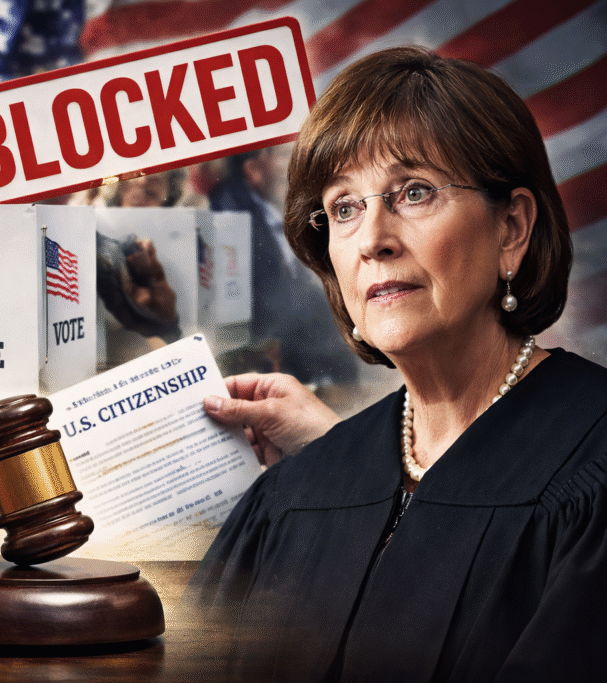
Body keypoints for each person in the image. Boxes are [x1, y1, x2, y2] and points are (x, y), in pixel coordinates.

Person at [191, 46, 606, 681]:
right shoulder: (299, 492)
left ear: (512, 229)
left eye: (413, 192)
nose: (372, 239)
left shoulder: (594, 472)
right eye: (344, 207)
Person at [210, 143, 360, 390]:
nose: (289, 167)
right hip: (280, 357)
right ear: (253, 168)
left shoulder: (276, 207)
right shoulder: (232, 217)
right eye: (281, 157)